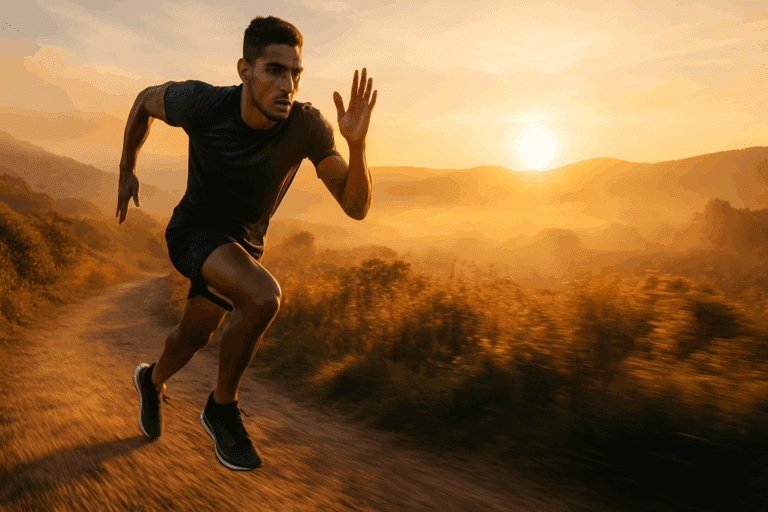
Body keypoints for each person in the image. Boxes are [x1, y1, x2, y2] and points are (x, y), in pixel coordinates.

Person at [118, 15, 376, 471]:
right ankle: (221, 409)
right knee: (263, 297)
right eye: (274, 70)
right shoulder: (202, 103)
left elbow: (355, 207)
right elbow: (143, 101)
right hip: (192, 233)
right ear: (244, 70)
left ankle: (150, 380)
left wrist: (357, 148)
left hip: (239, 251)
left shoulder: (307, 126)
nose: (288, 85)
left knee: (192, 336)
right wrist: (126, 168)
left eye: (295, 73)